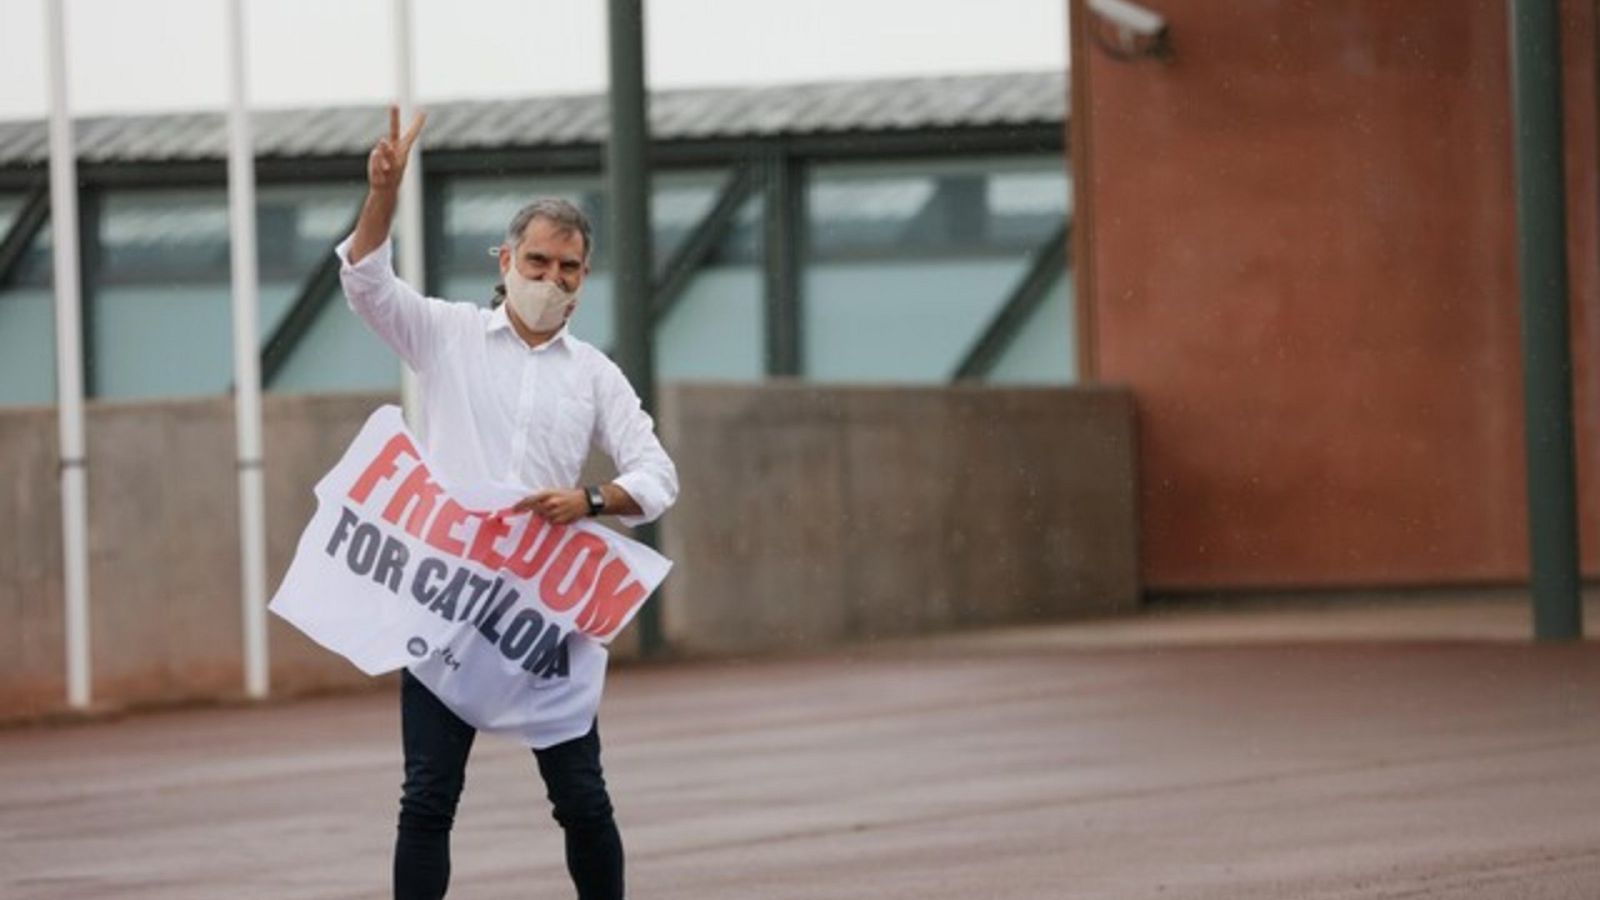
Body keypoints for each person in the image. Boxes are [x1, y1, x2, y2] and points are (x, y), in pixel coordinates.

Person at [338, 106, 678, 900]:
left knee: (583, 801)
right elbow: (366, 282)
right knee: (426, 799)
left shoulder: (594, 373)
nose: (553, 281)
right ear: (506, 259)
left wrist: (592, 499)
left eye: (570, 269)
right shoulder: (446, 336)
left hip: (540, 617)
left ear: (585, 277)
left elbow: (658, 473)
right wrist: (382, 193)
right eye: (539, 262)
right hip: (446, 604)